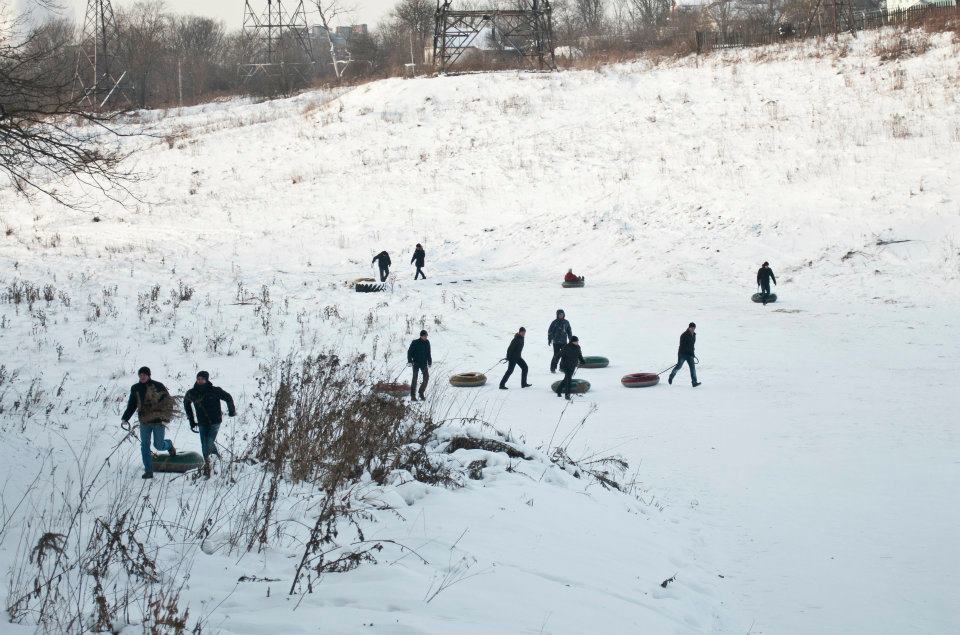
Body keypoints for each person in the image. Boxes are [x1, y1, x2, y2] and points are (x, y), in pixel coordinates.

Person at [121, 366, 176, 479]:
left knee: (158, 445)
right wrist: (125, 417)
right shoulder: (135, 388)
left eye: (144, 375)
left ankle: (169, 445)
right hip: (144, 421)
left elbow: (168, 402)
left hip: (158, 421)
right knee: (145, 445)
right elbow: (132, 404)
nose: (142, 377)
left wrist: (166, 417)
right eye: (140, 375)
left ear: (149, 375)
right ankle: (148, 471)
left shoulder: (158, 385)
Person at [184, 371, 236, 469]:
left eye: (202, 379)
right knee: (205, 444)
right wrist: (191, 421)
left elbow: (228, 397)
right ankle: (208, 463)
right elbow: (186, 404)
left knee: (209, 442)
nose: (200, 381)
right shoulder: (192, 393)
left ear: (206, 380)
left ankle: (213, 460)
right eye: (198, 379)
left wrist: (231, 412)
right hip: (202, 422)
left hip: (215, 422)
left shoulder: (214, 390)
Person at [668, 323, 701, 387]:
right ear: (689, 327)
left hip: (690, 355)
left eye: (694, 328)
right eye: (692, 328)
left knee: (692, 368)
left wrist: (692, 354)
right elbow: (682, 346)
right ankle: (671, 376)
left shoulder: (694, 335)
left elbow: (692, 345)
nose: (693, 329)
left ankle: (694, 382)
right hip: (682, 354)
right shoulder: (684, 335)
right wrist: (688, 352)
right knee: (679, 366)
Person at [407, 329, 432, 401]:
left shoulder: (427, 342)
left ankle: (421, 392)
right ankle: (413, 396)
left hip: (423, 363)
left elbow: (428, 353)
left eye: (426, 336)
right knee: (415, 379)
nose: (426, 337)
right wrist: (409, 361)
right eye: (424, 336)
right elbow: (409, 352)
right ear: (421, 336)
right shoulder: (415, 342)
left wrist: (429, 362)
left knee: (426, 377)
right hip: (416, 363)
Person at [547, 309, 572, 373]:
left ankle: (562, 368)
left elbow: (569, 331)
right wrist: (550, 339)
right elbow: (550, 331)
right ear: (557, 315)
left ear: (564, 315)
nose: (561, 315)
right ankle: (553, 368)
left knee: (565, 355)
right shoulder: (554, 322)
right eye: (560, 314)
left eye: (562, 314)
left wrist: (570, 338)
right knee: (556, 355)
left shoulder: (566, 322)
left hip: (564, 341)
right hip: (556, 342)